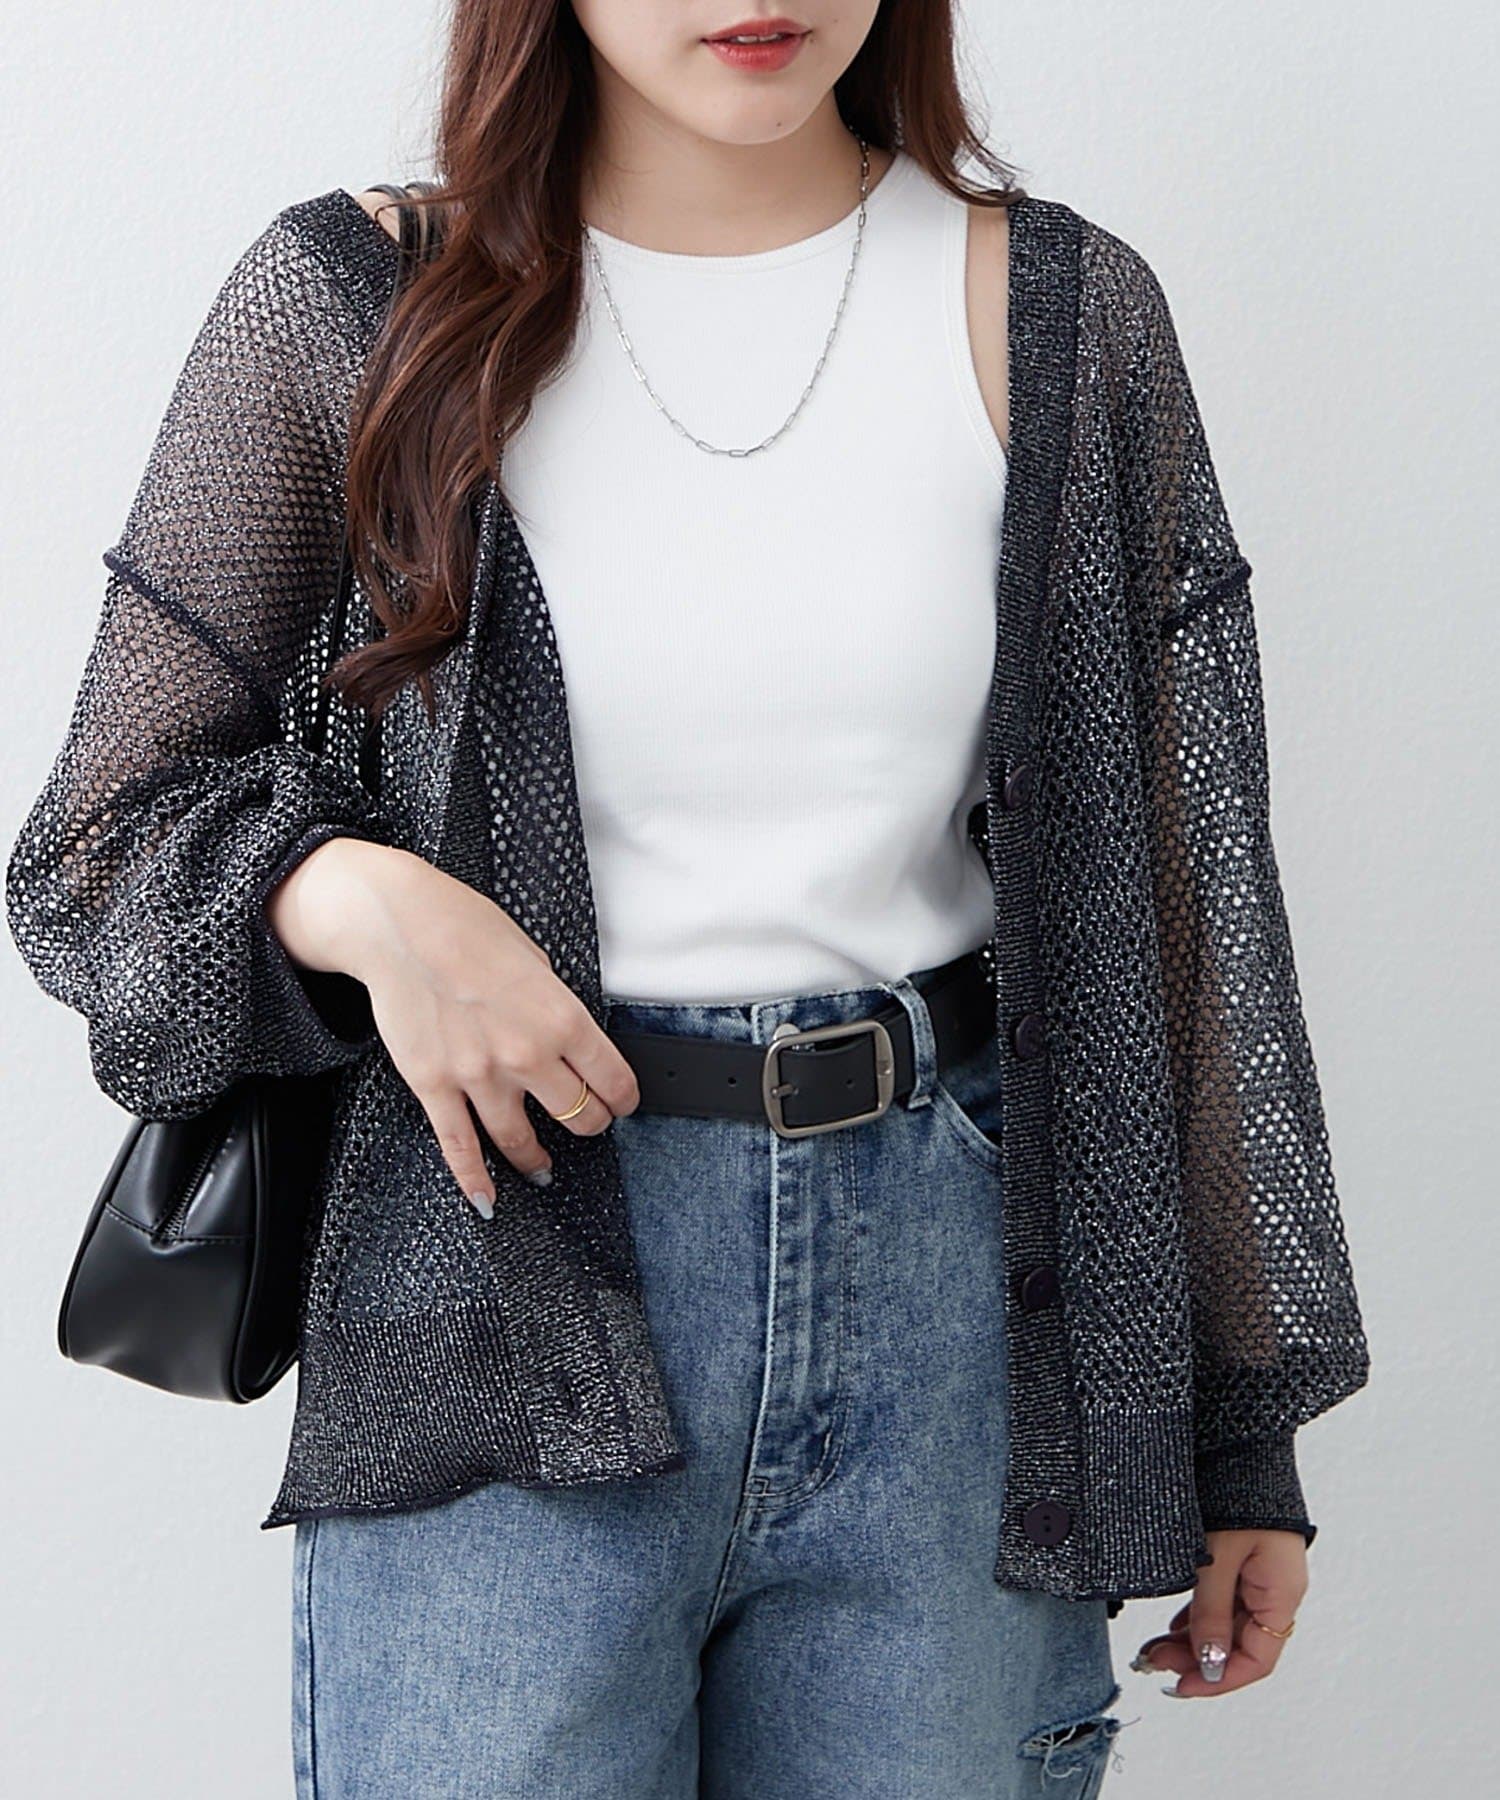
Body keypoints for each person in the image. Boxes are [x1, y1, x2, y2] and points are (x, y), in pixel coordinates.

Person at [5, 3, 1371, 1795]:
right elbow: (98, 845)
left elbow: (1186, 908)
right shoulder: (354, 301)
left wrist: (1238, 1430)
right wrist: (360, 903)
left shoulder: (1059, 311)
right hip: (497, 1292)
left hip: (957, 1316)